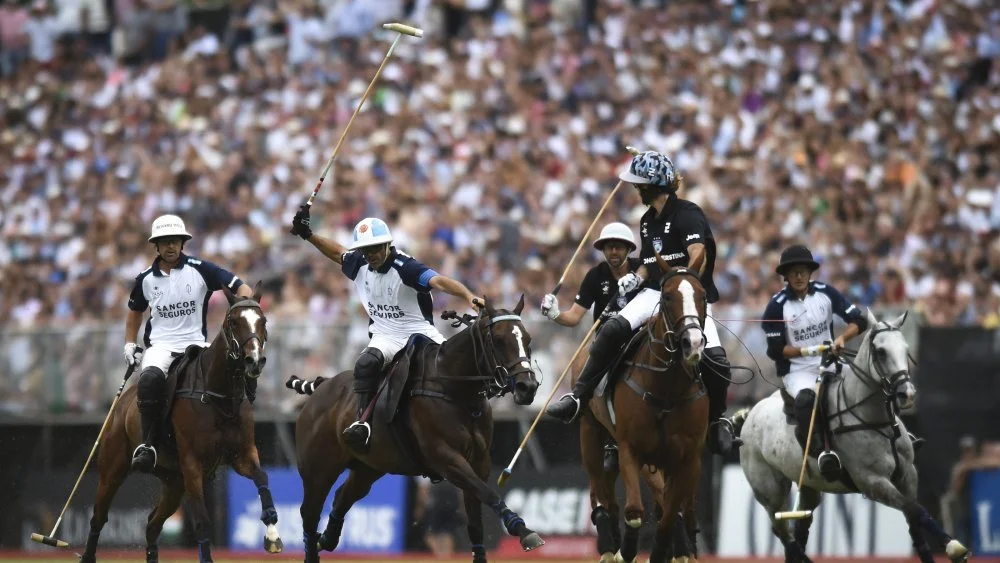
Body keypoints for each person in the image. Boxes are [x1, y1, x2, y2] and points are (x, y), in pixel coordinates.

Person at [545, 151, 738, 456]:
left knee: (717, 361)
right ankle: (579, 397)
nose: (636, 190)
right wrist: (636, 277)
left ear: (653, 184)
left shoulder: (687, 213)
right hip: (654, 292)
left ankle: (717, 422)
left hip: (687, 292)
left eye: (640, 185)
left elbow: (697, 255)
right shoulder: (648, 221)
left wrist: (682, 284)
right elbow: (649, 262)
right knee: (611, 331)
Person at [290, 203, 482, 453]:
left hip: (419, 331)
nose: (371, 254)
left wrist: (468, 295)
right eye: (366, 250)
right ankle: (363, 423)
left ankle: (475, 406)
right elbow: (339, 253)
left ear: (387, 245)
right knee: (366, 363)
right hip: (386, 335)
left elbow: (440, 282)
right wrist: (309, 235)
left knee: (452, 366)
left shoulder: (406, 268)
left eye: (376, 248)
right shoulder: (360, 262)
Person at [126, 214, 255, 473]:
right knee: (149, 380)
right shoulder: (145, 279)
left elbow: (243, 288)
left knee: (233, 366)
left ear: (183, 243)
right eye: (165, 242)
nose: (170, 246)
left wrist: (240, 311)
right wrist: (129, 343)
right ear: (157, 246)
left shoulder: (201, 268)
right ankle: (149, 444)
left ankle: (235, 431)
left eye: (175, 241)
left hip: (195, 345)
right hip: (161, 346)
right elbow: (135, 312)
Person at [540, 222, 643, 327]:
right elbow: (574, 317)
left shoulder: (642, 268)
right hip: (607, 339)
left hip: (640, 337)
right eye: (609, 247)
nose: (614, 252)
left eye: (619, 247)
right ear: (602, 250)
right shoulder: (595, 275)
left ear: (629, 249)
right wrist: (555, 314)